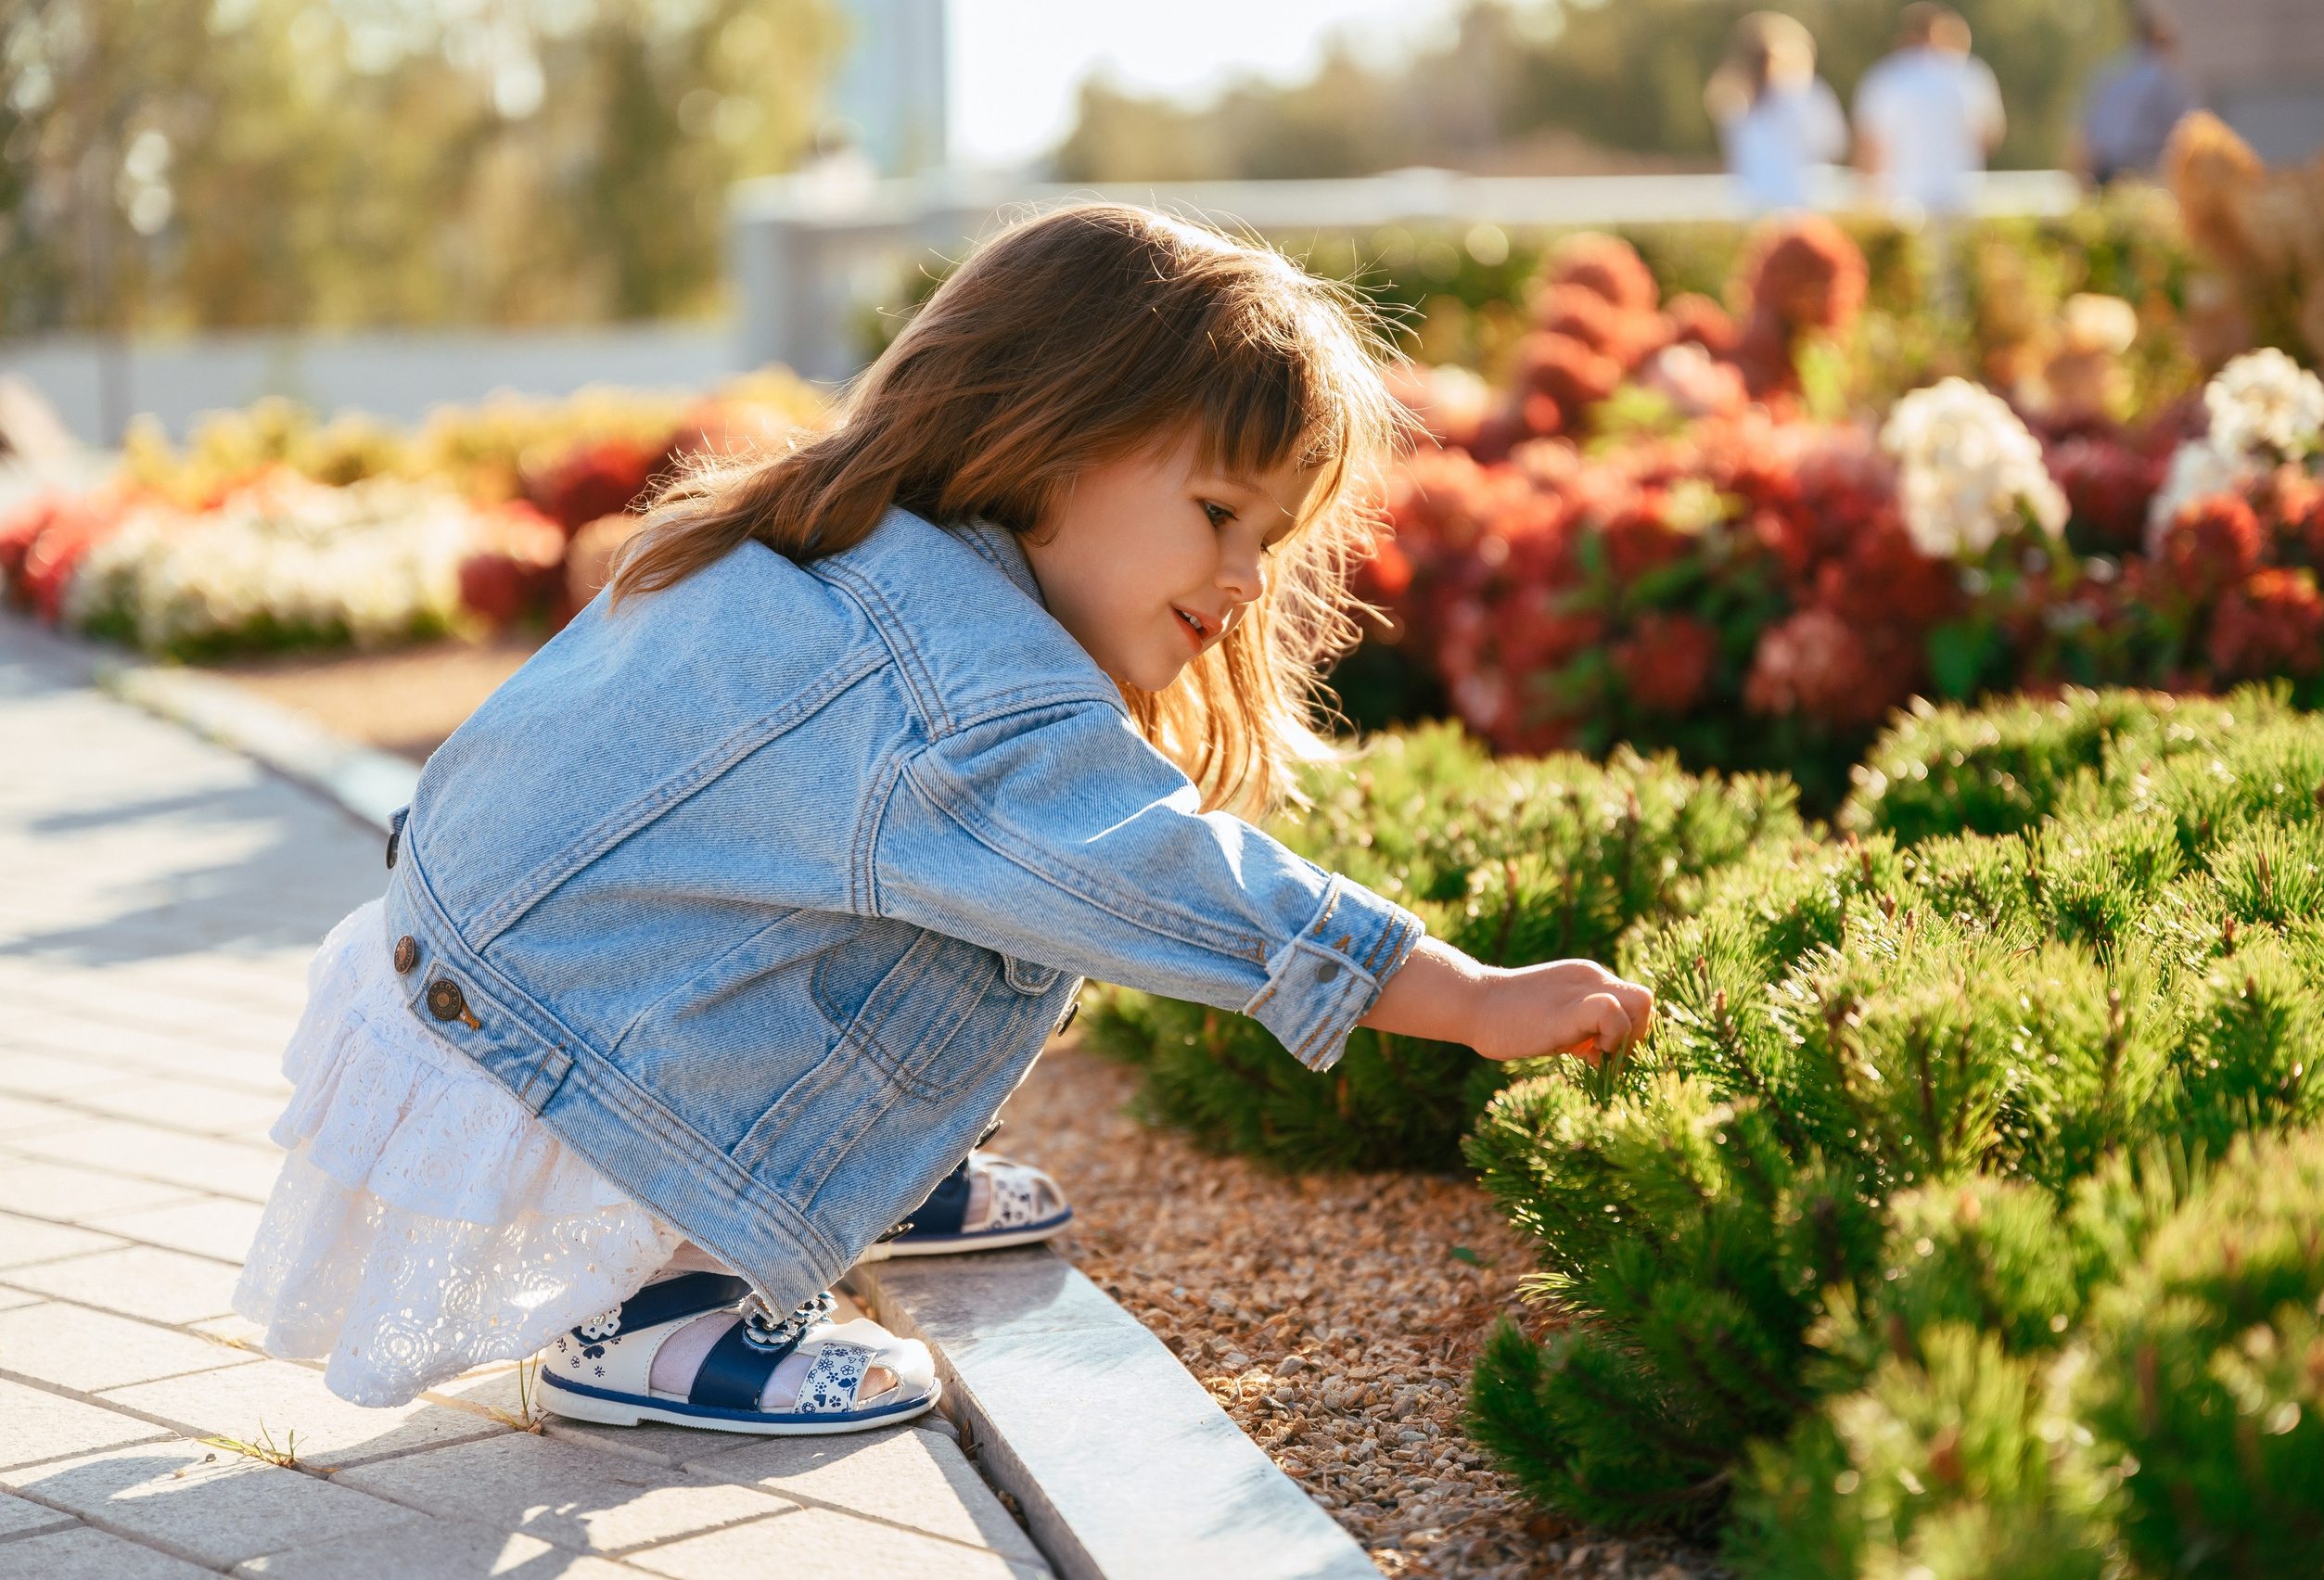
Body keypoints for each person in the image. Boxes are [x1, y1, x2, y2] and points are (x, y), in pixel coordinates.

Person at [232, 205, 1657, 1435]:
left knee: (938, 883)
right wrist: (1461, 997)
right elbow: (1162, 878)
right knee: (1039, 866)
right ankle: (653, 1320)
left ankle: (861, 1171)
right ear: (1050, 442)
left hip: (485, 977)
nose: (1243, 576)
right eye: (1218, 510)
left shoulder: (857, 549)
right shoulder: (957, 692)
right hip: (560, 1059)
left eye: (1268, 540)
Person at [1852, 3, 2006, 218]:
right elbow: (1990, 137)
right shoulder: (1970, 74)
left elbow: (1870, 148)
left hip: (1902, 203)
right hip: (1962, 197)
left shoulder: (1885, 77)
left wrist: (1870, 202)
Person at [1706, 12, 1848, 213]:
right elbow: (1835, 145)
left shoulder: (1732, 98)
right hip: (1803, 207)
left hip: (1750, 207)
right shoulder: (1806, 94)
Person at [2078, 5, 2193, 186]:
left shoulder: (2109, 69)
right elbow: (2184, 130)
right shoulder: (2163, 75)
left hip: (2104, 171)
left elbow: (2088, 133)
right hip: (2144, 173)